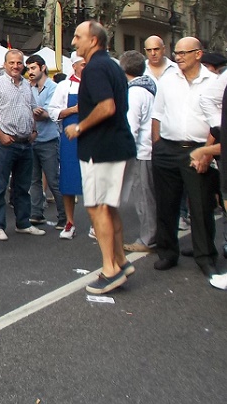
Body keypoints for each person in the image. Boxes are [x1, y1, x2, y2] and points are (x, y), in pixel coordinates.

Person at [64, 20, 137, 294]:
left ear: (93, 40)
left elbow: (107, 106)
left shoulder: (95, 68)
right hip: (116, 145)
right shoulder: (112, 66)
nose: (73, 42)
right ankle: (120, 261)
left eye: (78, 36)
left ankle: (110, 270)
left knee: (97, 207)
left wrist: (80, 126)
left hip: (102, 148)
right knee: (108, 206)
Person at [150, 37, 221, 281]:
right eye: (176, 52)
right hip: (167, 149)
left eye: (183, 53)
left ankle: (205, 257)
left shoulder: (213, 83)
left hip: (199, 148)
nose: (178, 57)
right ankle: (168, 252)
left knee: (201, 207)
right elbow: (157, 115)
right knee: (166, 204)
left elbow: (218, 124)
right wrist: (157, 146)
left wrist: (206, 152)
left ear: (198, 54)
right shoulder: (168, 80)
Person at [0, 49, 46, 242]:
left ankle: (23, 223)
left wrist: (34, 130)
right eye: (12, 63)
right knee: (0, 186)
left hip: (26, 143)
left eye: (19, 63)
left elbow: (32, 109)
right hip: (6, 143)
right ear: (5, 65)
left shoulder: (27, 85)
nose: (16, 66)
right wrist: (0, 134)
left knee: (22, 187)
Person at [118, 51, 158, 253]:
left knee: (144, 196)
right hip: (151, 148)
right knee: (150, 194)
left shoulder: (134, 93)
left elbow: (130, 127)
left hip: (142, 151)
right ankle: (154, 235)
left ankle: (148, 239)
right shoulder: (149, 87)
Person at [25, 55, 65, 230]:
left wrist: (34, 112)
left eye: (33, 68)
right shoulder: (28, 88)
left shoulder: (54, 87)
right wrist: (34, 111)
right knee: (34, 180)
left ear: (42, 68)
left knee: (53, 180)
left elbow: (49, 113)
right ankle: (36, 213)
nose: (30, 72)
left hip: (48, 140)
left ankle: (64, 216)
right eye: (29, 69)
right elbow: (31, 111)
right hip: (31, 141)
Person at [48, 52, 85, 239]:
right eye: (83, 64)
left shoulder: (97, 83)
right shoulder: (64, 86)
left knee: (95, 181)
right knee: (69, 181)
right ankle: (70, 222)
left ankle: (98, 223)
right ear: (75, 66)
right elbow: (53, 112)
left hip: (93, 137)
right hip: (71, 139)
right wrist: (73, 110)